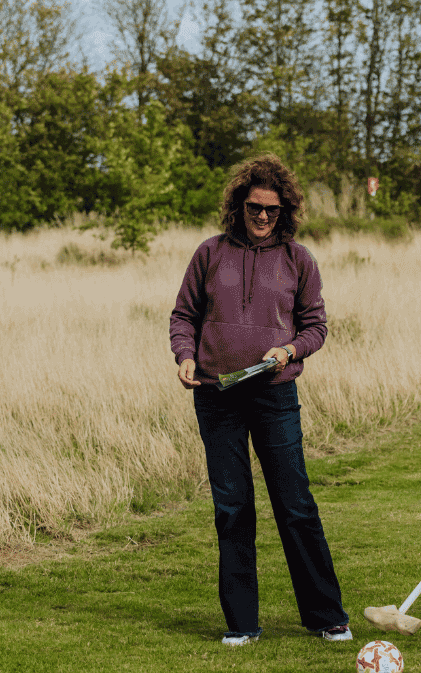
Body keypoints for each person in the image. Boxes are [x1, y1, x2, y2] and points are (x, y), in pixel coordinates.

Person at [169, 154, 351, 646]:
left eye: (273, 210)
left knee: (295, 505)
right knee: (232, 508)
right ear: (238, 205)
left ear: (286, 211)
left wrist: (290, 349)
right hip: (216, 397)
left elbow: (316, 326)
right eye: (255, 207)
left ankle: (327, 616)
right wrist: (184, 355)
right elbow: (183, 315)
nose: (264, 217)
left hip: (275, 396)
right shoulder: (208, 253)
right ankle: (242, 623)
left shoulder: (298, 259)